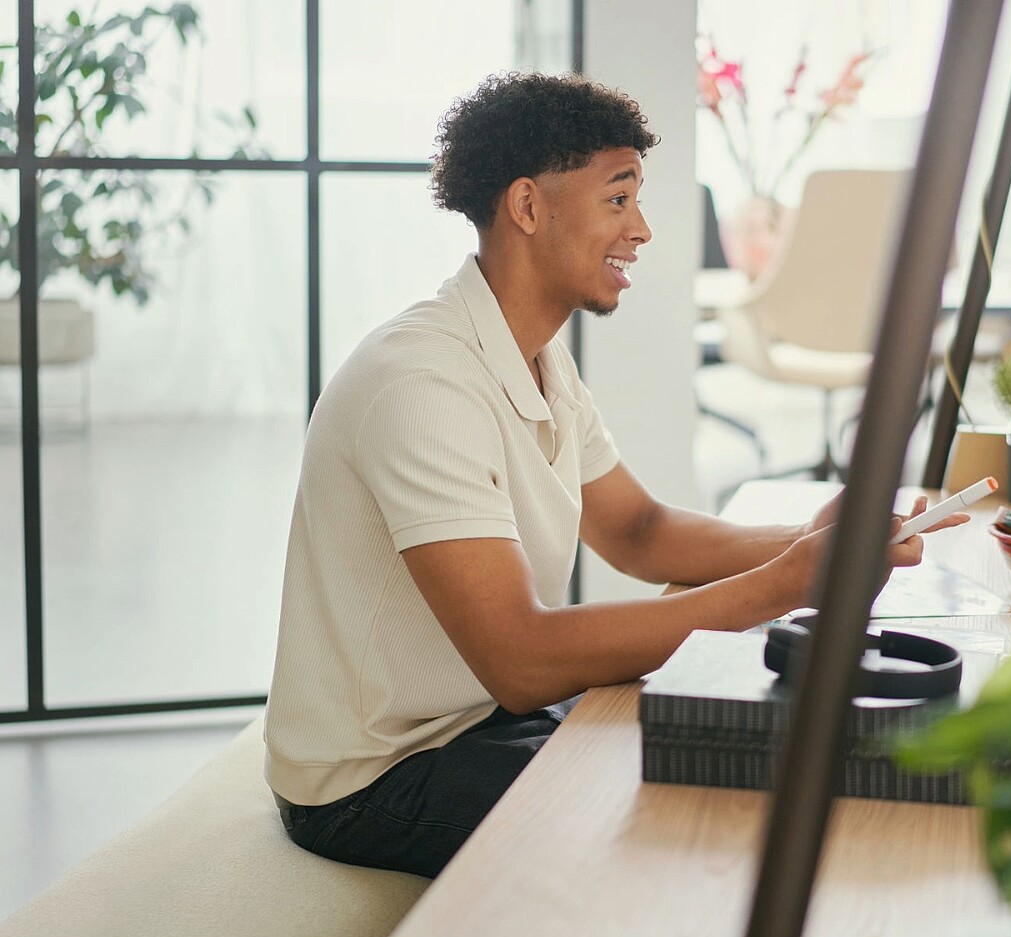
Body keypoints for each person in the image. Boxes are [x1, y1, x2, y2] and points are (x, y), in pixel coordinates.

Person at [263, 71, 965, 879]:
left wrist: (803, 542)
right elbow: (521, 658)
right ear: (527, 208)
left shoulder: (536, 357)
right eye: (618, 198)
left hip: (481, 720)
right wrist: (782, 585)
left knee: (722, 757)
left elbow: (639, 531)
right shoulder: (420, 382)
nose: (643, 230)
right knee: (690, 825)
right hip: (376, 776)